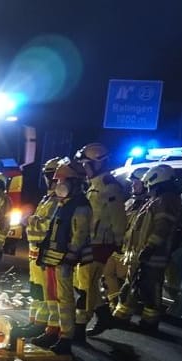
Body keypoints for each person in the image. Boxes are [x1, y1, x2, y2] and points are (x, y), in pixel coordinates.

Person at [109, 163, 182, 333]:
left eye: (150, 185)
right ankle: (121, 316)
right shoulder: (157, 200)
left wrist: (150, 247)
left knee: (150, 288)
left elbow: (161, 227)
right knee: (132, 285)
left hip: (153, 256)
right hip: (142, 254)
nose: (148, 189)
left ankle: (149, 322)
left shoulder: (166, 200)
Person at [32, 161, 92, 354]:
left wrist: (71, 255)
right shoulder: (62, 203)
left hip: (64, 259)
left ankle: (66, 336)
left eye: (63, 181)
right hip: (51, 257)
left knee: (64, 299)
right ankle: (52, 330)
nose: (59, 184)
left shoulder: (81, 205)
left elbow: (79, 235)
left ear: (75, 182)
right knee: (51, 296)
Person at [72, 143, 125, 343]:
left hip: (100, 244)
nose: (84, 168)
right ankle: (104, 317)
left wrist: (118, 242)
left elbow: (118, 217)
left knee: (86, 285)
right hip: (89, 242)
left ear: (97, 164)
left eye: (86, 164)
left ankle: (78, 328)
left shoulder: (109, 186)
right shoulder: (94, 184)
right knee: (85, 283)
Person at [11, 157, 63, 343]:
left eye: (51, 176)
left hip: (46, 253)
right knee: (37, 290)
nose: (49, 180)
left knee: (51, 294)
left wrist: (29, 220)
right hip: (36, 253)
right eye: (48, 176)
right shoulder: (48, 198)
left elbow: (47, 227)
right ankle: (37, 323)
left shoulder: (58, 201)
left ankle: (52, 328)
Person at [91, 173, 148, 335]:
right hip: (119, 246)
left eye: (136, 183)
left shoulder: (146, 205)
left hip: (131, 249)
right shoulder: (130, 202)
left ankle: (122, 315)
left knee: (126, 281)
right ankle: (113, 305)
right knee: (107, 275)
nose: (133, 186)